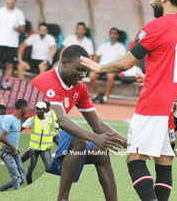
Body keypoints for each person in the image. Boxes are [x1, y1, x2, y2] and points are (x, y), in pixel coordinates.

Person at [81, 0, 177, 201]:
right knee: (164, 162)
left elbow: (126, 62)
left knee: (136, 158)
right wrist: (152, 77)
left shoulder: (156, 26)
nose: (150, 1)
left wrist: (98, 67)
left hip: (154, 106)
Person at [31, 45, 126, 201]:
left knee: (100, 152)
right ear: (65, 63)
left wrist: (132, 144)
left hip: (49, 135)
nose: (82, 75)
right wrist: (95, 138)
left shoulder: (80, 88)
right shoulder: (47, 82)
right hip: (30, 137)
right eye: (79, 69)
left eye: (85, 71)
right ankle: (63, 199)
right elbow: (61, 119)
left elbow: (98, 126)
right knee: (80, 141)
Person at [0, 99, 29, 192]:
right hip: (7, 153)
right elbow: (2, 137)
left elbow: (12, 136)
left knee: (22, 179)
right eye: (27, 108)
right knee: (17, 178)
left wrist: (14, 148)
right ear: (23, 108)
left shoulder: (18, 120)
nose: (28, 110)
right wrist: (13, 148)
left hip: (14, 151)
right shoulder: (10, 119)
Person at [20, 101, 56, 185]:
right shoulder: (31, 120)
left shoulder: (50, 121)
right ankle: (29, 179)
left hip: (45, 148)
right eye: (36, 109)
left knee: (48, 165)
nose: (37, 111)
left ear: (44, 110)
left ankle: (49, 183)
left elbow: (58, 127)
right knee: (32, 166)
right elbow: (20, 129)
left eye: (39, 109)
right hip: (34, 148)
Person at [0, 0, 25, 77]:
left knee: (10, 65)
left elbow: (23, 29)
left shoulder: (19, 13)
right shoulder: (0, 11)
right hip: (0, 41)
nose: (11, 1)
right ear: (6, 0)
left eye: (13, 0)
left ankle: (5, 86)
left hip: (12, 43)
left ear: (15, 1)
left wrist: (17, 29)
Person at [90, 27, 127, 104]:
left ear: (118, 36)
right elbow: (96, 57)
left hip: (112, 68)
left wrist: (116, 68)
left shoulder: (121, 47)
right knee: (92, 75)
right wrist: (95, 66)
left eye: (115, 34)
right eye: (111, 33)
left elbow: (123, 60)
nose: (113, 35)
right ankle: (96, 95)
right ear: (109, 34)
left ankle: (106, 96)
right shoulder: (104, 45)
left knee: (110, 76)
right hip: (101, 67)